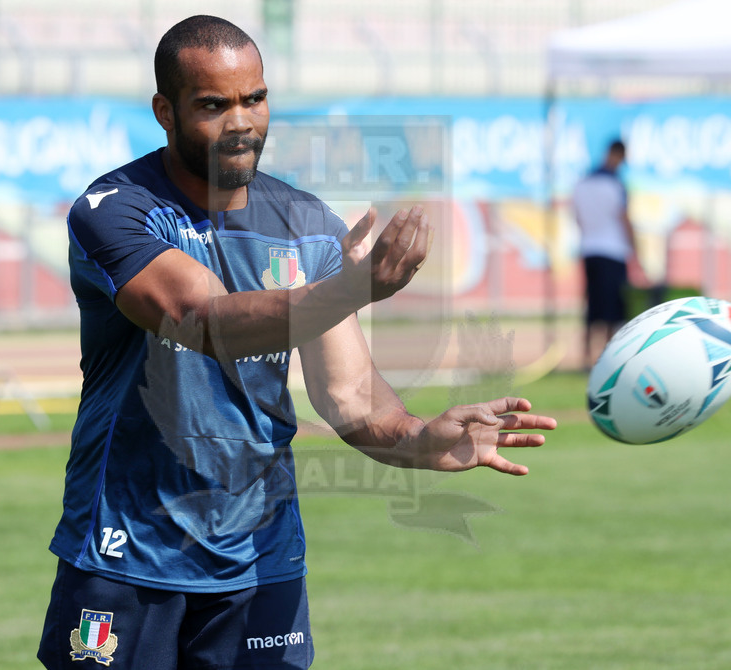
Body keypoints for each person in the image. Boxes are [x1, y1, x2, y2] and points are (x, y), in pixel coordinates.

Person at [38, 15, 557, 670]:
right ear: (164, 111)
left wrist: (420, 439)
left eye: (254, 99)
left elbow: (352, 398)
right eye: (213, 105)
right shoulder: (116, 208)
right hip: (128, 553)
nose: (242, 123)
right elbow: (198, 316)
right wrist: (348, 289)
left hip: (263, 559)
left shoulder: (307, 223)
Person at [572, 139, 638, 369]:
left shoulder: (582, 183)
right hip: (613, 251)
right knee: (612, 308)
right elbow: (624, 218)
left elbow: (578, 218)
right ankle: (609, 360)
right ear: (618, 155)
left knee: (592, 306)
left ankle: (586, 357)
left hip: (590, 250)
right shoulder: (615, 185)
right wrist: (635, 248)